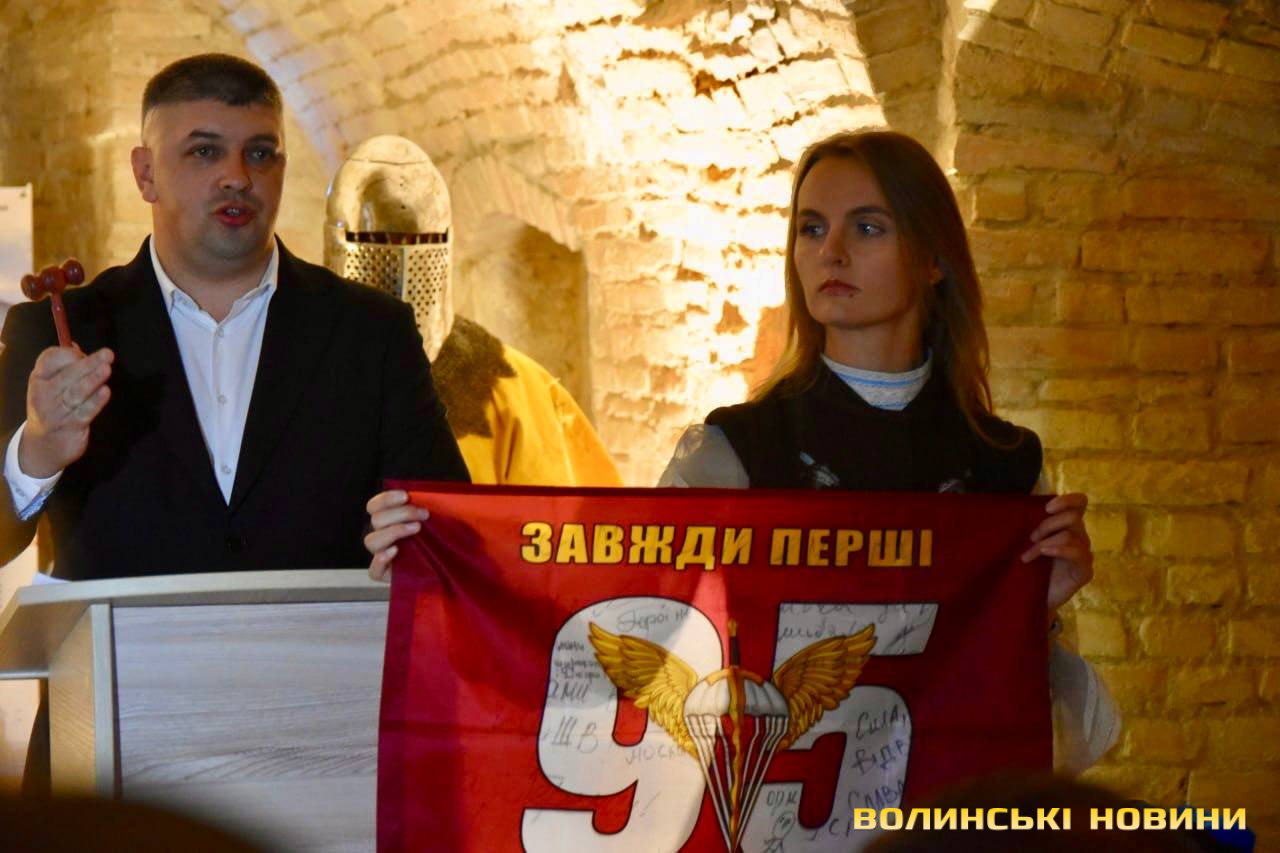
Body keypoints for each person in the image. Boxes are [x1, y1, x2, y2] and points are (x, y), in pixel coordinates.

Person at [657, 129, 1117, 772]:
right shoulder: (733, 454)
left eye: (867, 227)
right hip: (777, 799)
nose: (831, 252)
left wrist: (1032, 614)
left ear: (934, 259)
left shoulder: (1004, 465)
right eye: (812, 229)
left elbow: (1058, 749)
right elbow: (660, 683)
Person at [0, 53, 468, 581]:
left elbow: (452, 531)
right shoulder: (60, 333)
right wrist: (35, 453)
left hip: (325, 637)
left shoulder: (372, 331)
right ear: (146, 173)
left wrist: (417, 540)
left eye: (260, 153)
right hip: (121, 638)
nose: (237, 178)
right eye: (205, 151)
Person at [324, 135, 620, 487]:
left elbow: (557, 516)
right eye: (377, 243)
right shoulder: (290, 370)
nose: (401, 264)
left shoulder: (514, 390)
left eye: (421, 242)